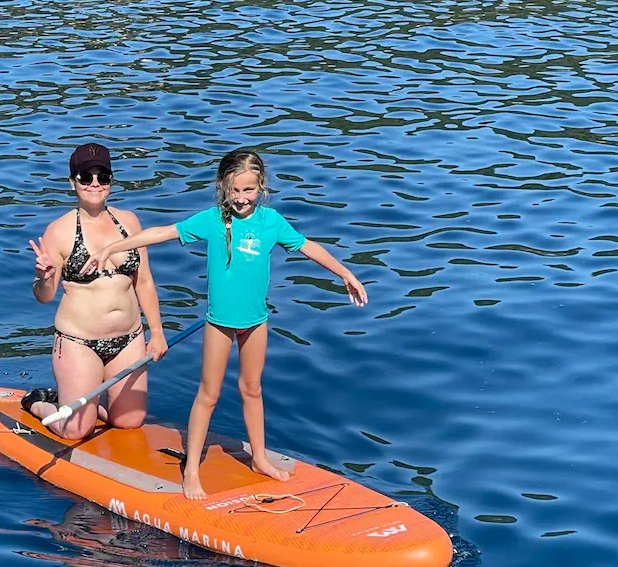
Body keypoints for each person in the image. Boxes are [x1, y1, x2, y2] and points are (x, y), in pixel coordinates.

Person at [80, 148, 368, 499]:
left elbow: (310, 247)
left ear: (260, 187)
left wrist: (345, 274)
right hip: (219, 324)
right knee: (209, 394)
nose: (242, 198)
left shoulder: (272, 222)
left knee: (252, 389)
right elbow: (160, 233)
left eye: (249, 191)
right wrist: (112, 248)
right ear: (223, 187)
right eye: (235, 191)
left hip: (256, 323)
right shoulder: (213, 221)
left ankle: (259, 457)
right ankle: (190, 471)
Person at [24, 142, 167, 440]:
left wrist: (156, 330)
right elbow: (45, 296)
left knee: (129, 421)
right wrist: (44, 277)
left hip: (128, 339)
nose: (95, 184)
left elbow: (144, 281)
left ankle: (89, 405)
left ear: (111, 181)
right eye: (85, 177)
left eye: (103, 176)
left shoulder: (128, 222)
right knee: (75, 430)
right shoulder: (59, 230)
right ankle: (40, 403)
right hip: (79, 342)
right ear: (72, 181)